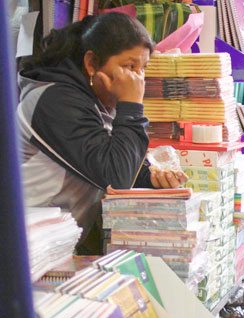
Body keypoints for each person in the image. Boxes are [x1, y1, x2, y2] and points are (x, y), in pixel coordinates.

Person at [17, 13, 186, 253]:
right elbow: (116, 177)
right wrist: (132, 106)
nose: (138, 80)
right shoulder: (55, 101)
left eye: (143, 69)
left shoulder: (96, 99)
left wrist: (150, 178)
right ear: (91, 63)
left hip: (49, 244)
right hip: (21, 246)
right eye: (129, 67)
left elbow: (105, 160)